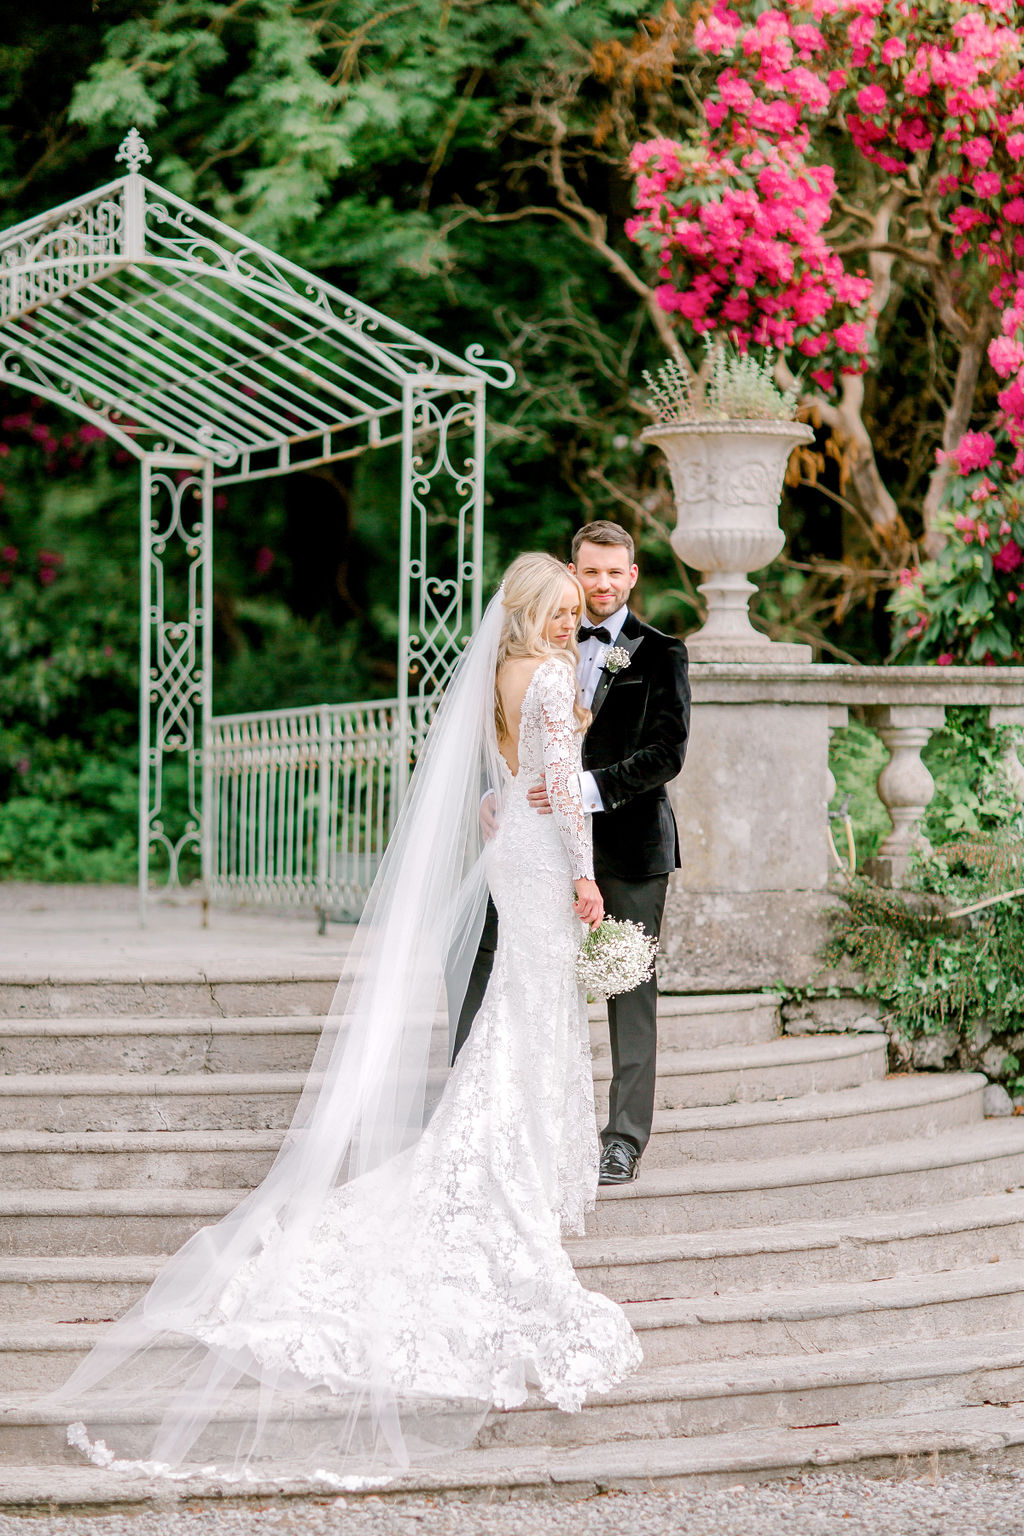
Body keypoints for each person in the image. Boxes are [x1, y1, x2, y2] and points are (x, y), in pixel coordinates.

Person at [52, 553, 642, 1488]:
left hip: (508, 853)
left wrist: (506, 806)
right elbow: (564, 789)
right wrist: (584, 875)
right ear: (531, 609)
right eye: (561, 606)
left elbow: (509, 776)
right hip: (543, 864)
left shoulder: (502, 670)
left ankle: (508, 1149)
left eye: (579, 607)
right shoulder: (556, 675)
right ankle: (510, 1164)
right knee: (531, 1020)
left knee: (516, 1018)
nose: (573, 620)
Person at [453, 522, 690, 1186]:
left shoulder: (663, 652)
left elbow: (667, 753)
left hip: (630, 845)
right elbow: (501, 736)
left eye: (615, 572)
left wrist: (582, 790)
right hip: (539, 846)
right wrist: (496, 794)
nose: (602, 584)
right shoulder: (543, 650)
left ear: (633, 575)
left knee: (628, 991)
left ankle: (622, 1139)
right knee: (503, 972)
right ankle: (475, 1105)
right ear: (572, 570)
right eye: (591, 572)